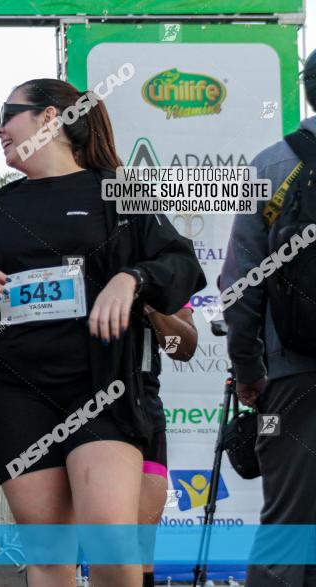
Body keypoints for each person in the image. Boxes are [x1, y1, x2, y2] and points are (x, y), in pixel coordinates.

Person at [0, 78, 205, 586]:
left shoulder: (118, 190)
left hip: (100, 385)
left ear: (49, 119)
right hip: (11, 392)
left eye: (9, 113)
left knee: (110, 539)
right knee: (48, 556)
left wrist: (133, 278)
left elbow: (180, 263)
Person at [219, 50, 316, 587]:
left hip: (291, 374)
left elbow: (242, 280)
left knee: (289, 521)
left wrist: (249, 367)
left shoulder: (273, 164)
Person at [137, 304, 197, 587]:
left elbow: (184, 349)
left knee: (141, 540)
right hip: (73, 408)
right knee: (64, 542)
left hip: (141, 410)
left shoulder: (159, 269)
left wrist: (151, 304)